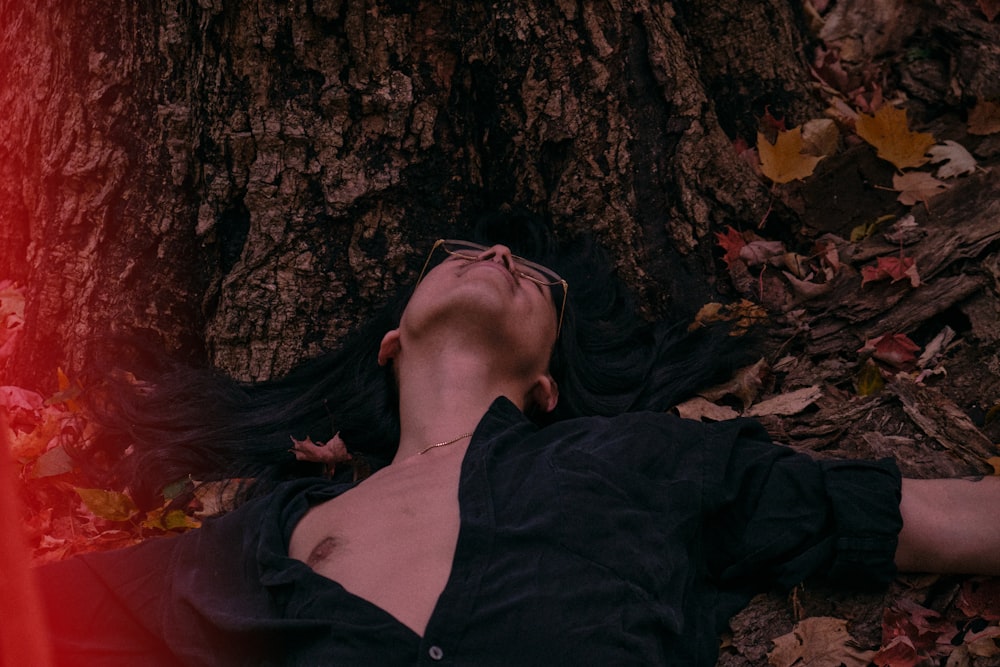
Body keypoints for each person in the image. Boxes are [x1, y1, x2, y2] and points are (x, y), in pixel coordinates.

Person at [37, 211, 1000, 666]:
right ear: (390, 340)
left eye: (535, 273)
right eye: (458, 249)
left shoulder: (643, 457)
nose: (497, 254)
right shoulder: (268, 535)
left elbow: (916, 515)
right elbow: (36, 613)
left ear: (547, 383)